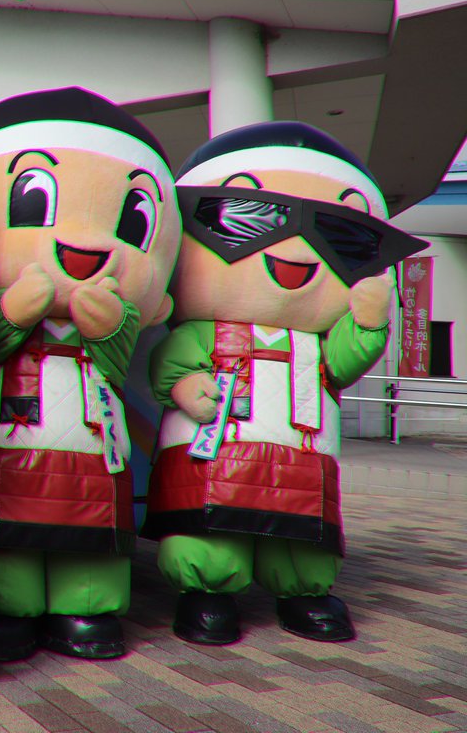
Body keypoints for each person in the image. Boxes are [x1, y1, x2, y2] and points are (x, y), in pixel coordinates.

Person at [143, 121, 425, 645]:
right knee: (210, 530)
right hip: (216, 456)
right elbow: (170, 364)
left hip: (302, 455)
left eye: (339, 234)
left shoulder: (315, 343)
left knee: (301, 537)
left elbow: (341, 365)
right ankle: (207, 592)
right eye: (246, 220)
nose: (295, 248)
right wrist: (184, 386)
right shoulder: (204, 330)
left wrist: (367, 323)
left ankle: (304, 593)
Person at [0, 87, 181, 661]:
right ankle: (9, 609)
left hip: (91, 444)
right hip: (1, 444)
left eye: (133, 223)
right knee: (4, 536)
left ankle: (87, 608)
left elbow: (120, 364)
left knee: (91, 535)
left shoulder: (122, 315)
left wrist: (112, 328)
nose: (84, 243)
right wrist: (6, 315)